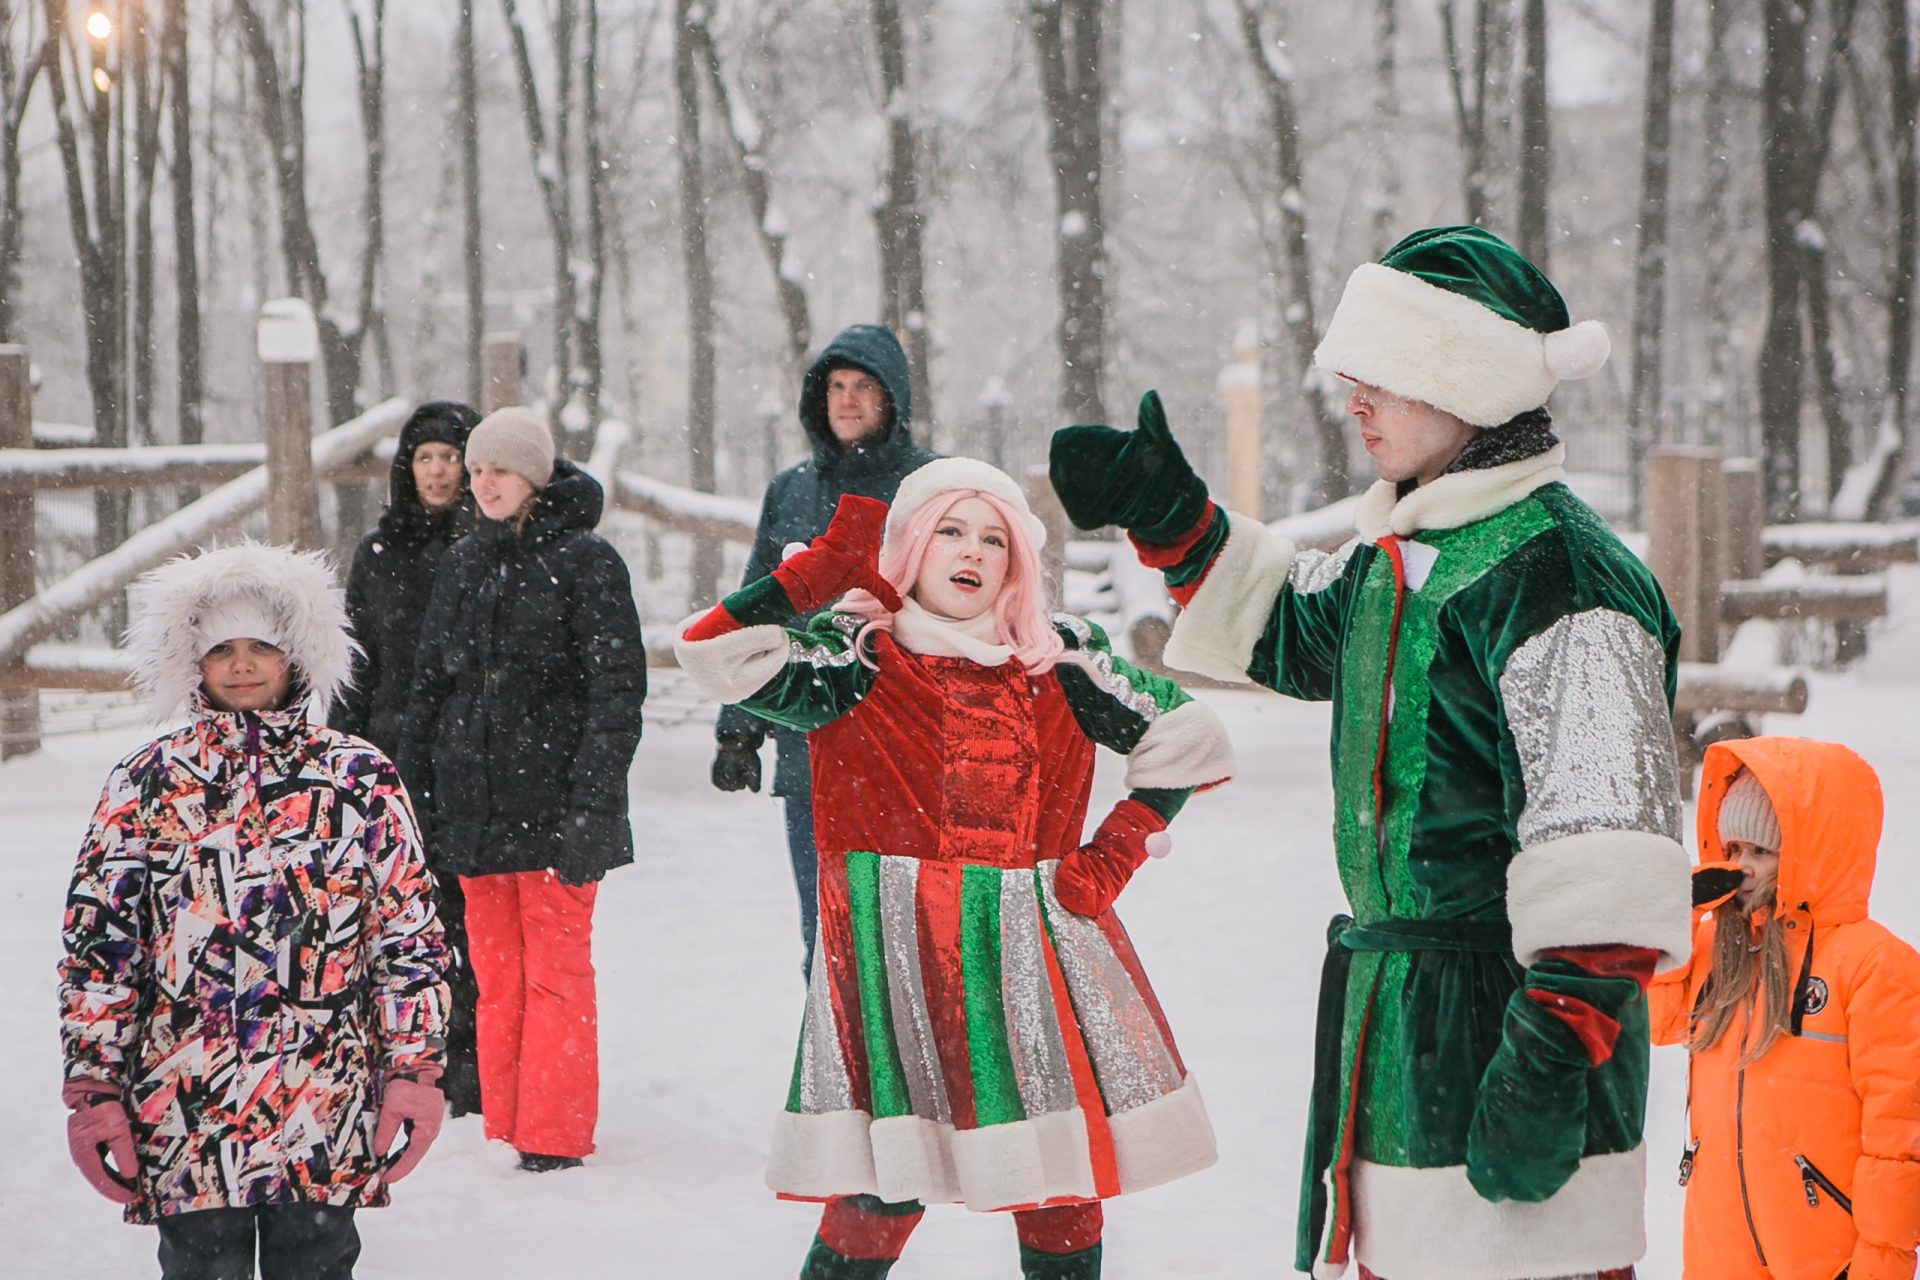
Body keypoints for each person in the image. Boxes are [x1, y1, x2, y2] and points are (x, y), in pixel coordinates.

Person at [1049, 225, 1692, 1280]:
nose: (1353, 400)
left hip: (1513, 1029)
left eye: (1381, 376)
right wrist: (1171, 516)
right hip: (1403, 1030)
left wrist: (1549, 1058)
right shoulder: (1413, 550)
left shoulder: (1564, 577)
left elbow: (1606, 850)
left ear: (1464, 381)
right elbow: (1296, 629)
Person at [675, 459, 1234, 1280]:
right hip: (896, 962)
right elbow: (712, 653)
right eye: (951, 531)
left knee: (1056, 1180)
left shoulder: (1055, 662)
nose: (973, 551)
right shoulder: (854, 659)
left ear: (1016, 564)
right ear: (911, 546)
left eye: (994, 540)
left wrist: (1117, 851)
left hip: (1029, 962)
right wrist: (813, 577)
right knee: (881, 1188)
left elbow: (1190, 736)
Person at [57, 543, 450, 1279]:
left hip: (322, 1102)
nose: (241, 665)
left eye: (261, 646)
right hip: (186, 1106)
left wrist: (415, 1068)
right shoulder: (148, 782)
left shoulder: (357, 778)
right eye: (221, 649)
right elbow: (101, 946)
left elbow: (406, 937)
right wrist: (94, 1081)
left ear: (295, 652)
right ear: (192, 660)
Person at [398, 405, 645, 1173]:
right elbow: (429, 688)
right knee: (495, 974)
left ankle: (554, 1132)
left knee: (555, 973)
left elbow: (615, 695)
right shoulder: (464, 563)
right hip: (473, 806)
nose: (482, 482)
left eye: (498, 469)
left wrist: (592, 805)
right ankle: (511, 1120)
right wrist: (413, 794)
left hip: (555, 804)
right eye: (476, 470)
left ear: (534, 475)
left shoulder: (587, 562)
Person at [710, 323, 938, 980]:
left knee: (912, 937)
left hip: (906, 747)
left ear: (892, 397)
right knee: (827, 937)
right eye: (836, 386)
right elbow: (757, 609)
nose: (847, 400)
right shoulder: (790, 490)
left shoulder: (932, 485)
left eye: (864, 386)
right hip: (809, 747)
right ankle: (831, 1050)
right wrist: (738, 730)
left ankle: (909, 1052)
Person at [1651, 739, 1920, 1280]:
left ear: (1807, 853)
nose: (1740, 867)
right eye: (1732, 849)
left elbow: (1900, 1141)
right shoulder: (1717, 948)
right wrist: (1673, 922)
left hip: (1827, 1258)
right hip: (1717, 1252)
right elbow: (1660, 1024)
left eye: (1760, 851)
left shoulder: (1875, 965)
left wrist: (1881, 1264)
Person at [331, 398, 483, 1117]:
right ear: (406, 467)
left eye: (451, 456)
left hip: (471, 754)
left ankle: (471, 1059)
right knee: (398, 911)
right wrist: (341, 747)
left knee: (468, 911)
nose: (437, 471)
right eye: (425, 457)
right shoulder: (378, 552)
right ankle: (404, 1055)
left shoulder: (486, 548)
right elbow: (355, 659)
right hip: (392, 754)